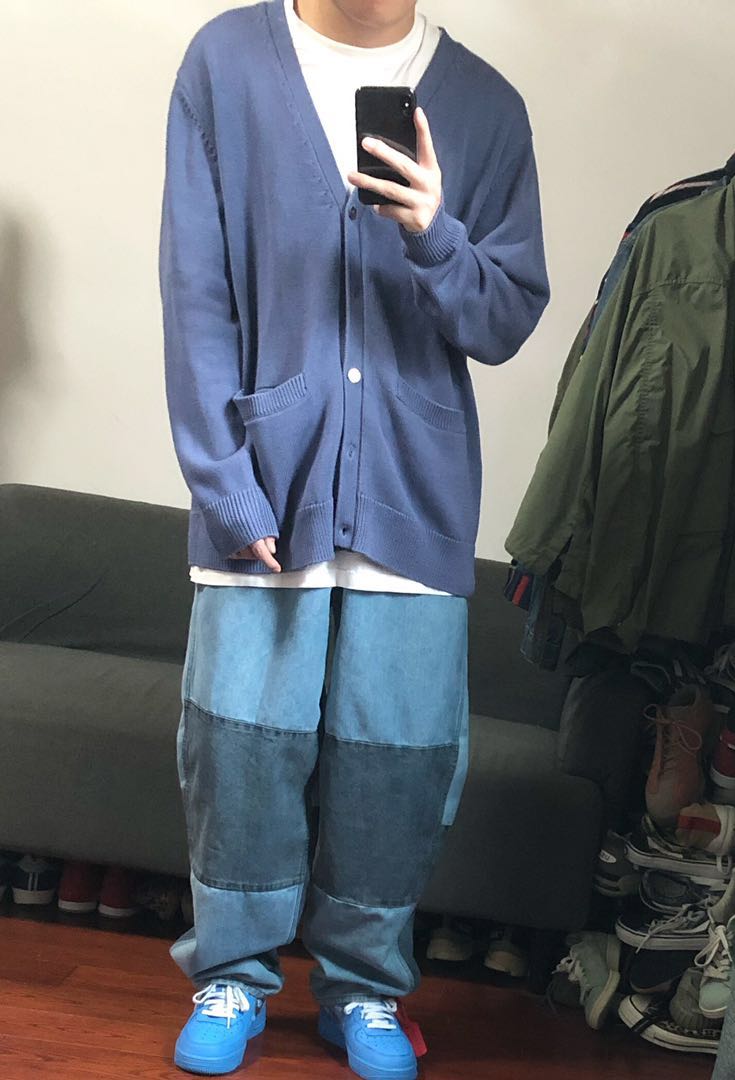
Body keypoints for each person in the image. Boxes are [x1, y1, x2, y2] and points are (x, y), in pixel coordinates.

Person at [159, 0, 548, 1076]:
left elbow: (507, 318)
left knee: (399, 764)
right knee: (241, 750)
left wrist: (434, 234)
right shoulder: (226, 65)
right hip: (265, 488)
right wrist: (227, 487)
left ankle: (366, 988)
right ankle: (232, 975)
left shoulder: (488, 108)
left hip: (415, 492)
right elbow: (195, 294)